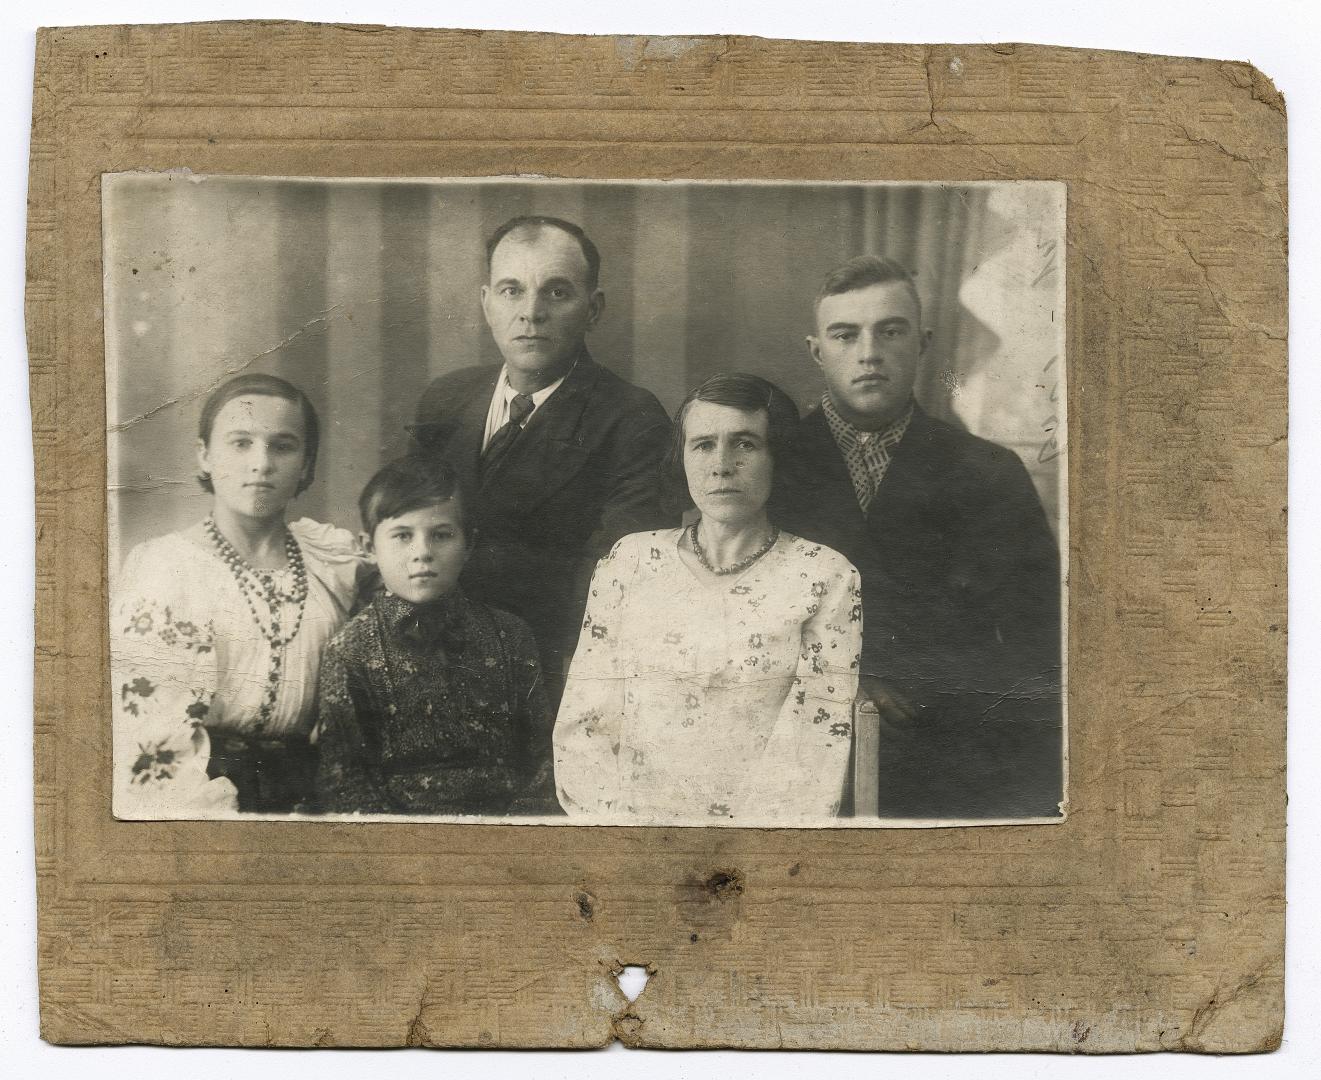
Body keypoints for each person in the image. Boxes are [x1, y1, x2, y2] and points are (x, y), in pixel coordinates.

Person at [779, 255, 1063, 819]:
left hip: (949, 753)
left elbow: (1039, 641)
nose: (869, 353)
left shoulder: (989, 470)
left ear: (924, 342)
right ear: (817, 351)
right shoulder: (771, 466)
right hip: (794, 749)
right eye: (845, 334)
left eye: (890, 330)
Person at [553, 373, 862, 825]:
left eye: (745, 444)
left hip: (760, 841)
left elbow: (815, 742)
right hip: (631, 834)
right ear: (681, 458)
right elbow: (584, 725)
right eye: (703, 445)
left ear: (779, 456)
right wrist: (621, 833)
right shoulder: (629, 561)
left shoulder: (824, 574)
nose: (721, 465)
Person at [409, 215, 672, 707]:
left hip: (548, 673)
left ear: (592, 309)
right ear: (486, 303)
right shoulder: (444, 401)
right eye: (511, 291)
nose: (530, 313)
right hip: (428, 659)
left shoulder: (632, 417)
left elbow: (617, 578)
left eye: (556, 293)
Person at [112, 374, 363, 817]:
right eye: (241, 443)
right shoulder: (167, 569)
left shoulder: (331, 563)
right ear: (206, 456)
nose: (261, 463)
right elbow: (144, 730)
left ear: (306, 465)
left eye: (283, 446)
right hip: (201, 795)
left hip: (311, 796)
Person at [314, 456, 555, 816]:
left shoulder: (510, 636)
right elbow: (346, 779)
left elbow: (543, 758)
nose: (423, 552)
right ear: (368, 548)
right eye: (402, 536)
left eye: (441, 535)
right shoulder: (351, 649)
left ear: (469, 544)